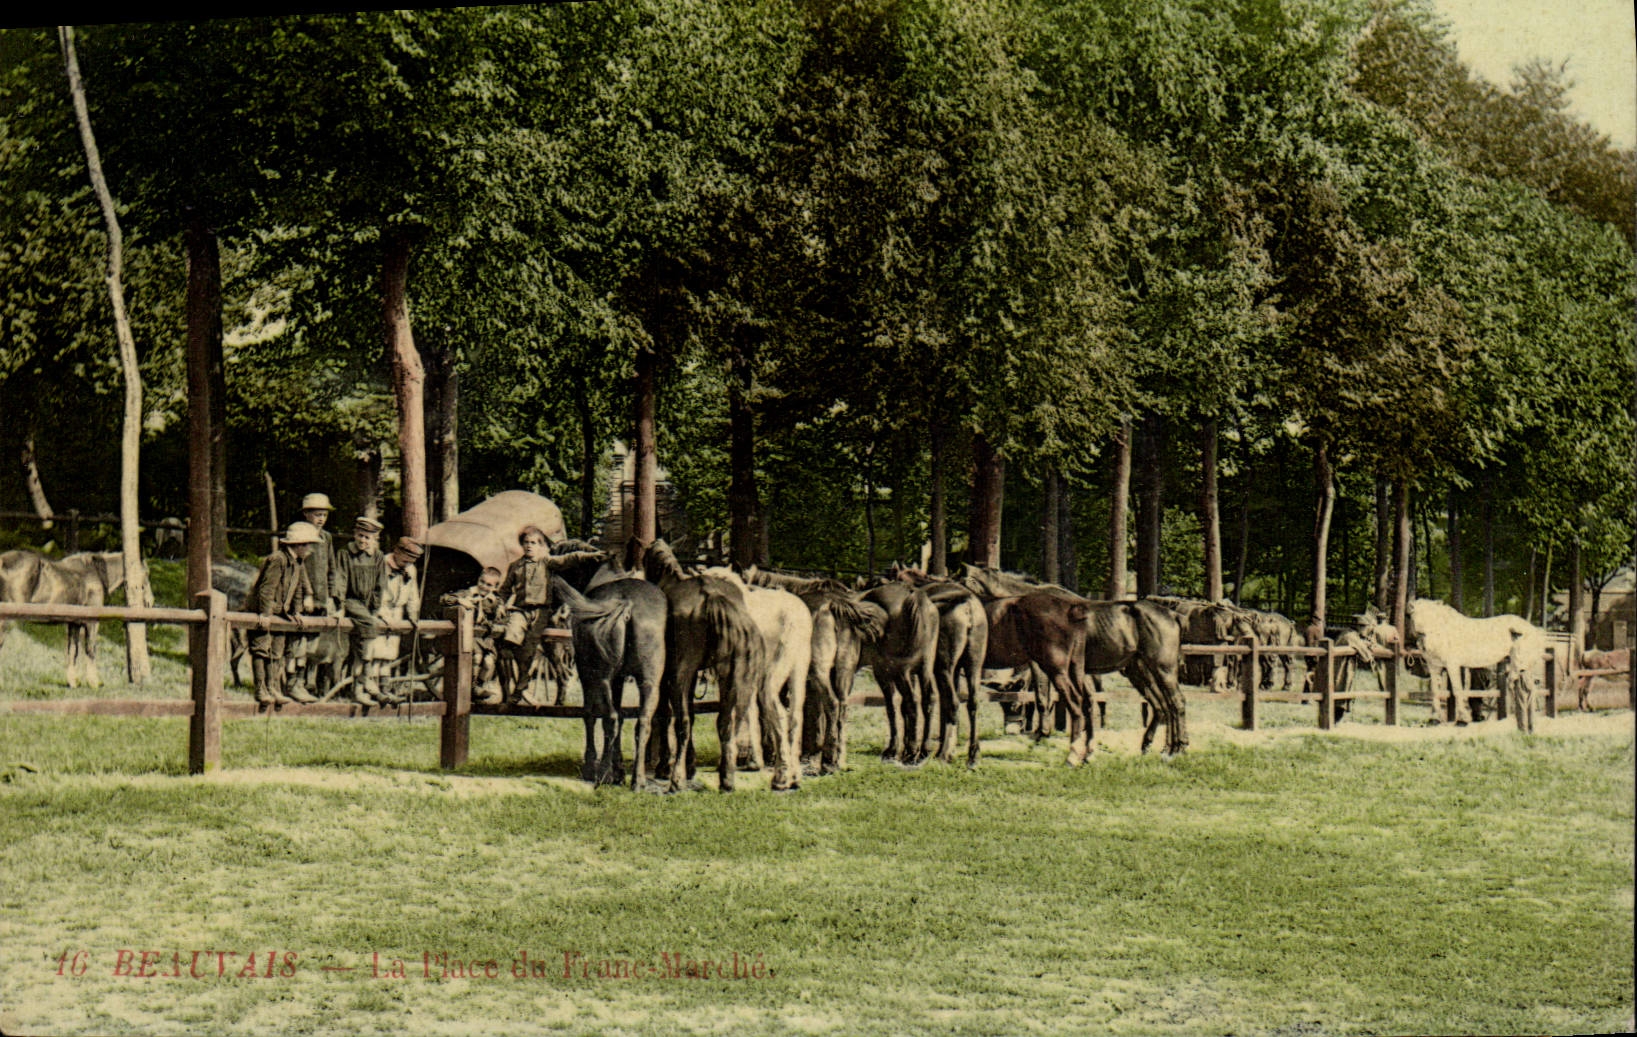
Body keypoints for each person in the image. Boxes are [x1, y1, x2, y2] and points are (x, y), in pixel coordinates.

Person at [496, 527, 607, 707]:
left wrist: (591, 556)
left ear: (540, 546)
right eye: (526, 543)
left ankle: (520, 686)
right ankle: (517, 682)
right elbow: (505, 590)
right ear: (522, 545)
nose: (529, 546)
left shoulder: (546, 561)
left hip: (541, 612)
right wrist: (501, 604)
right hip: (521, 611)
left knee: (529, 648)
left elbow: (569, 558)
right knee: (510, 640)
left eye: (533, 543)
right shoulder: (515, 566)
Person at [247, 521, 323, 708]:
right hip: (266, 612)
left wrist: (296, 611)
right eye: (308, 545)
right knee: (261, 649)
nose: (310, 549)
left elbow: (297, 589)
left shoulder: (297, 562)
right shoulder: (278, 560)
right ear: (298, 545)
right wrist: (264, 614)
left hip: (282, 614)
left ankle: (273, 688)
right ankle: (261, 689)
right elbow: (267, 589)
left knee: (277, 651)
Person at [287, 492, 344, 701]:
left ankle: (311, 684)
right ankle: (294, 683)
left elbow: (331, 568)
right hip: (302, 596)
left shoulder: (326, 538)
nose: (321, 519)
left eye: (324, 515)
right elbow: (298, 567)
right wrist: (306, 595)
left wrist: (332, 596)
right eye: (317, 514)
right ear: (306, 514)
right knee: (298, 641)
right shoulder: (299, 535)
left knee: (314, 642)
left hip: (321, 598)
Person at [359, 536, 423, 705]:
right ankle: (372, 689)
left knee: (389, 654)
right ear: (397, 551)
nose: (407, 564)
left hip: (397, 612)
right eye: (405, 560)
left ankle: (385, 688)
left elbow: (413, 594)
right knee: (376, 652)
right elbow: (371, 591)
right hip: (380, 610)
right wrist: (380, 612)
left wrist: (413, 614)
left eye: (411, 562)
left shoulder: (410, 570)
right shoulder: (381, 564)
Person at [336, 516, 388, 706]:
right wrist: (339, 604)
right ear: (355, 534)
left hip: (367, 605)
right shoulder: (345, 553)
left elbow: (380, 584)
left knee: (362, 641)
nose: (363, 541)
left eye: (367, 537)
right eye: (360, 536)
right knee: (369, 624)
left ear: (374, 539)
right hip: (351, 601)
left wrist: (375, 607)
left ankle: (359, 689)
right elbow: (341, 579)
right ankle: (367, 676)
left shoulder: (378, 556)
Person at [439, 566, 506, 706]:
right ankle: (473, 686)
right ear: (478, 579)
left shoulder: (495, 601)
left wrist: (500, 610)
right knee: (477, 657)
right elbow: (444, 598)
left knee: (489, 662)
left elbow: (502, 616)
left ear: (495, 587)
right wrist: (460, 601)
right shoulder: (468, 593)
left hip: (485, 638)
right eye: (482, 582)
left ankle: (477, 687)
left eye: (489, 585)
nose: (484, 586)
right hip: (470, 636)